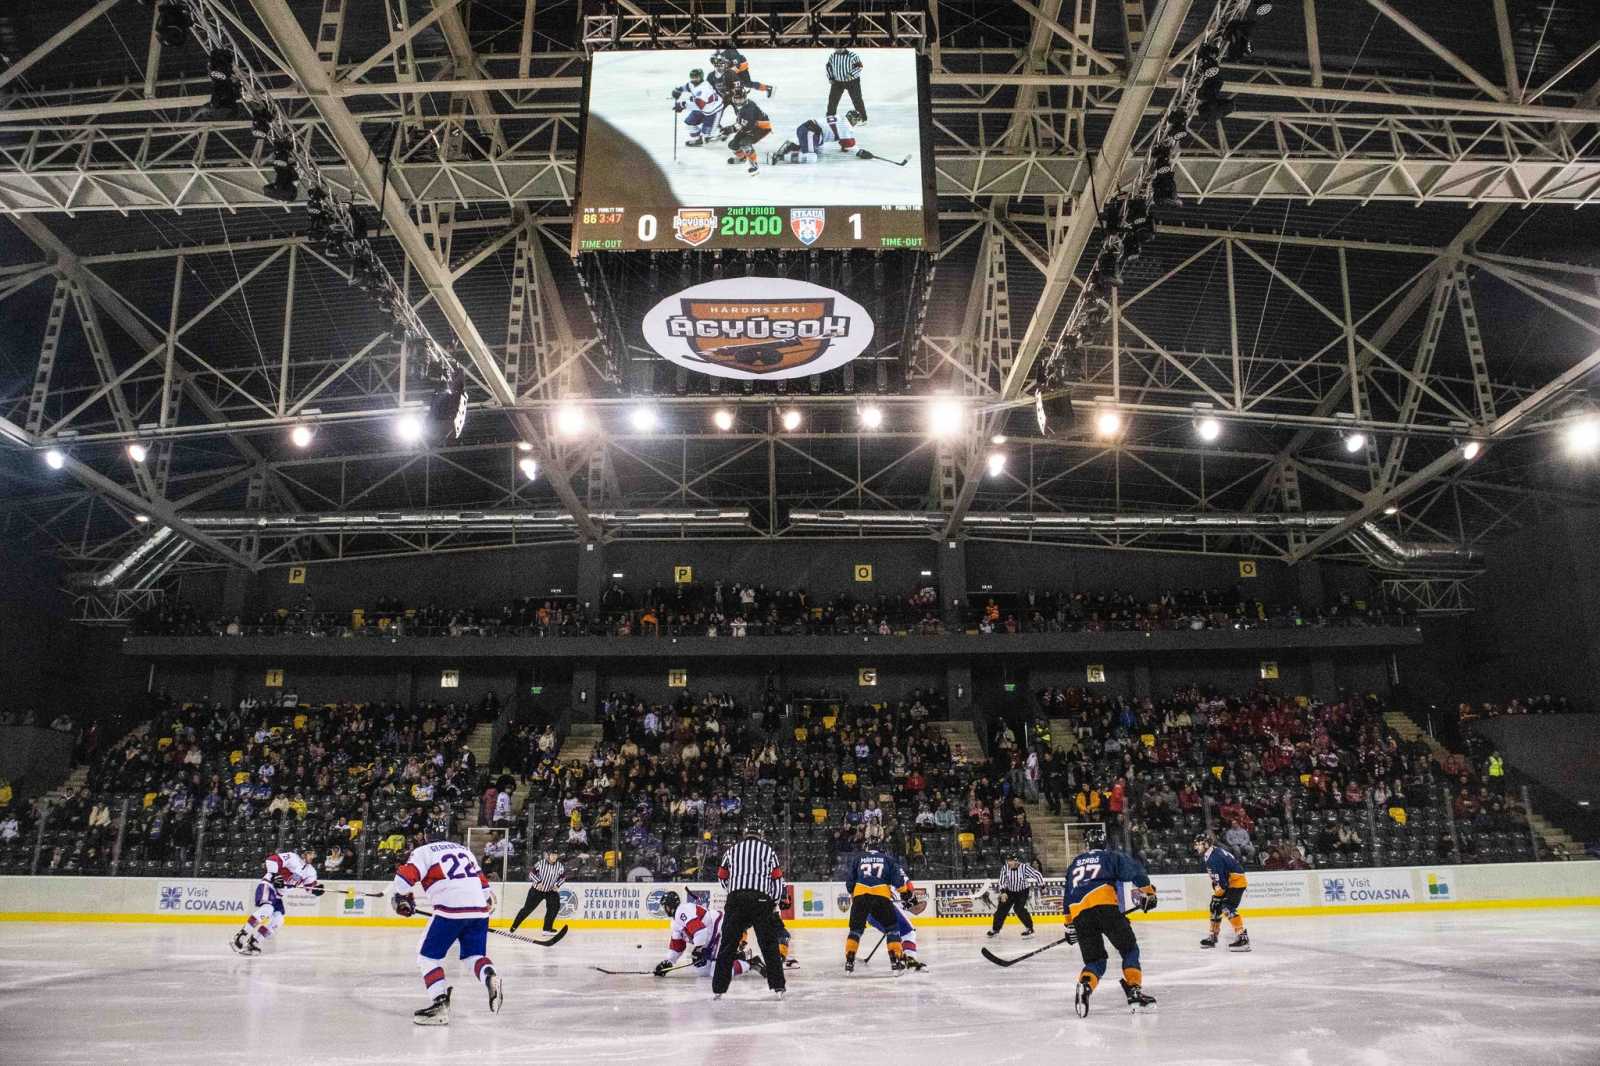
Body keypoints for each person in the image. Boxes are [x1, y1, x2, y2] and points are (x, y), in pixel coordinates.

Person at [391, 839, 503, 1026]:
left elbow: (403, 882)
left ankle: (440, 1004)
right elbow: (485, 891)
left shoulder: (423, 851)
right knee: (474, 956)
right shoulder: (464, 850)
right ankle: (490, 977)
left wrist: (401, 897)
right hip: (479, 909)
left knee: (427, 957)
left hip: (450, 908)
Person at [1063, 826, 1158, 1016]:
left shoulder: (1074, 864)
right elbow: (1135, 872)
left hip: (1080, 914)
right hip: (1105, 908)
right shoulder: (1110, 856)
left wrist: (1069, 925)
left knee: (1096, 960)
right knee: (1129, 949)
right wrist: (1148, 892)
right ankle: (1134, 991)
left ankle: (1085, 987)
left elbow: (1067, 896)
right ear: (1104, 843)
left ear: (1087, 844)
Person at [711, 820, 787, 998]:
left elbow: (722, 876)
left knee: (728, 945)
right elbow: (777, 880)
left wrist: (733, 889)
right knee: (769, 945)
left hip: (736, 899)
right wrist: (772, 901)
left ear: (745, 833)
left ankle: (719, 990)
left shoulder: (732, 850)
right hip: (761, 900)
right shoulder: (768, 851)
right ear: (760, 834)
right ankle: (778, 987)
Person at [230, 849, 322, 956]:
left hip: (278, 896)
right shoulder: (292, 857)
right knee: (267, 909)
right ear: (304, 853)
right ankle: (240, 936)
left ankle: (252, 942)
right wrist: (274, 876)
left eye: (314, 855)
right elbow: (272, 860)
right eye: (311, 853)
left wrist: (316, 890)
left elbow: (309, 887)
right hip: (269, 885)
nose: (313, 856)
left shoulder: (311, 871)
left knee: (278, 919)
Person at [652, 889, 757, 981]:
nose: (664, 909)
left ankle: (750, 963)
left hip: (721, 929)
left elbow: (700, 931)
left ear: (670, 906)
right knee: (703, 971)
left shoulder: (682, 912)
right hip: (711, 937)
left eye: (665, 906)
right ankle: (736, 957)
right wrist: (668, 962)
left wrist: (698, 949)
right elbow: (677, 946)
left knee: (717, 973)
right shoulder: (675, 922)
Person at [842, 839, 911, 974]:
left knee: (855, 930)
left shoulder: (858, 859)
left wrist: (853, 893)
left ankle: (849, 962)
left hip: (860, 895)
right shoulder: (887, 859)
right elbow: (898, 880)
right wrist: (905, 893)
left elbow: (850, 881)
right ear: (881, 849)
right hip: (881, 896)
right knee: (892, 929)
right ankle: (895, 962)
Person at [1195, 834, 1250, 951]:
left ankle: (1243, 937)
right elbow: (1220, 879)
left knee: (1227, 907)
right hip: (1230, 881)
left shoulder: (1214, 858)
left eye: (1199, 844)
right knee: (1216, 907)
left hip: (1236, 882)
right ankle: (1213, 937)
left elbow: (1222, 883)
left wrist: (1217, 895)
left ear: (1206, 844)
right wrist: (1217, 894)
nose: (1196, 847)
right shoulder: (1211, 853)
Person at [987, 854, 1044, 939]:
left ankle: (1030, 928)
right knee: (1001, 909)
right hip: (1009, 891)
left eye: (1011, 861)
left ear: (1016, 861)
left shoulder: (1024, 868)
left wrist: (1042, 887)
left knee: (1019, 909)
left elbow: (1037, 875)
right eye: (1008, 861)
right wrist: (1003, 892)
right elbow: (1002, 881)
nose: (1009, 863)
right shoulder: (1005, 868)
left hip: (1022, 891)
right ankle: (995, 929)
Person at [510, 849, 565, 934]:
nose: (554, 856)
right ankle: (514, 926)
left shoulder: (560, 866)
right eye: (553, 854)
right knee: (527, 909)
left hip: (550, 891)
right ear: (549, 855)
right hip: (537, 890)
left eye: (556, 855)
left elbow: (562, 877)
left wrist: (557, 885)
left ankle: (547, 929)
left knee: (554, 907)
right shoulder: (541, 863)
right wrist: (538, 882)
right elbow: (531, 874)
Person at [722, 85, 772, 175]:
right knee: (733, 145)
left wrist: (731, 129)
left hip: (761, 127)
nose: (738, 101)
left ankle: (754, 166)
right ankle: (742, 158)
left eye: (740, 99)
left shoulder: (749, 108)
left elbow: (748, 126)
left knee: (745, 143)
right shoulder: (740, 105)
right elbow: (742, 123)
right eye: (736, 99)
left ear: (745, 97)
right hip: (750, 126)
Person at [670, 67, 724, 147]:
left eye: (696, 77)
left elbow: (701, 106)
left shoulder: (704, 88)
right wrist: (678, 90)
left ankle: (720, 133)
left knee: (706, 140)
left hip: (713, 111)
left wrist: (683, 105)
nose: (694, 79)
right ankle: (700, 138)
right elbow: (687, 86)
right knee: (689, 123)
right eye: (692, 77)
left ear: (701, 77)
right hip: (704, 109)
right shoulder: (693, 84)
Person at [824, 46, 867, 123]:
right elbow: (828, 66)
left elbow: (859, 67)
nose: (837, 49)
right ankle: (830, 117)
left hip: (852, 81)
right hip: (837, 82)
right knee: (833, 100)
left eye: (839, 48)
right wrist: (830, 77)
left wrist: (851, 74)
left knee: (857, 100)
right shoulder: (833, 56)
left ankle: (863, 118)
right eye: (836, 48)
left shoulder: (853, 55)